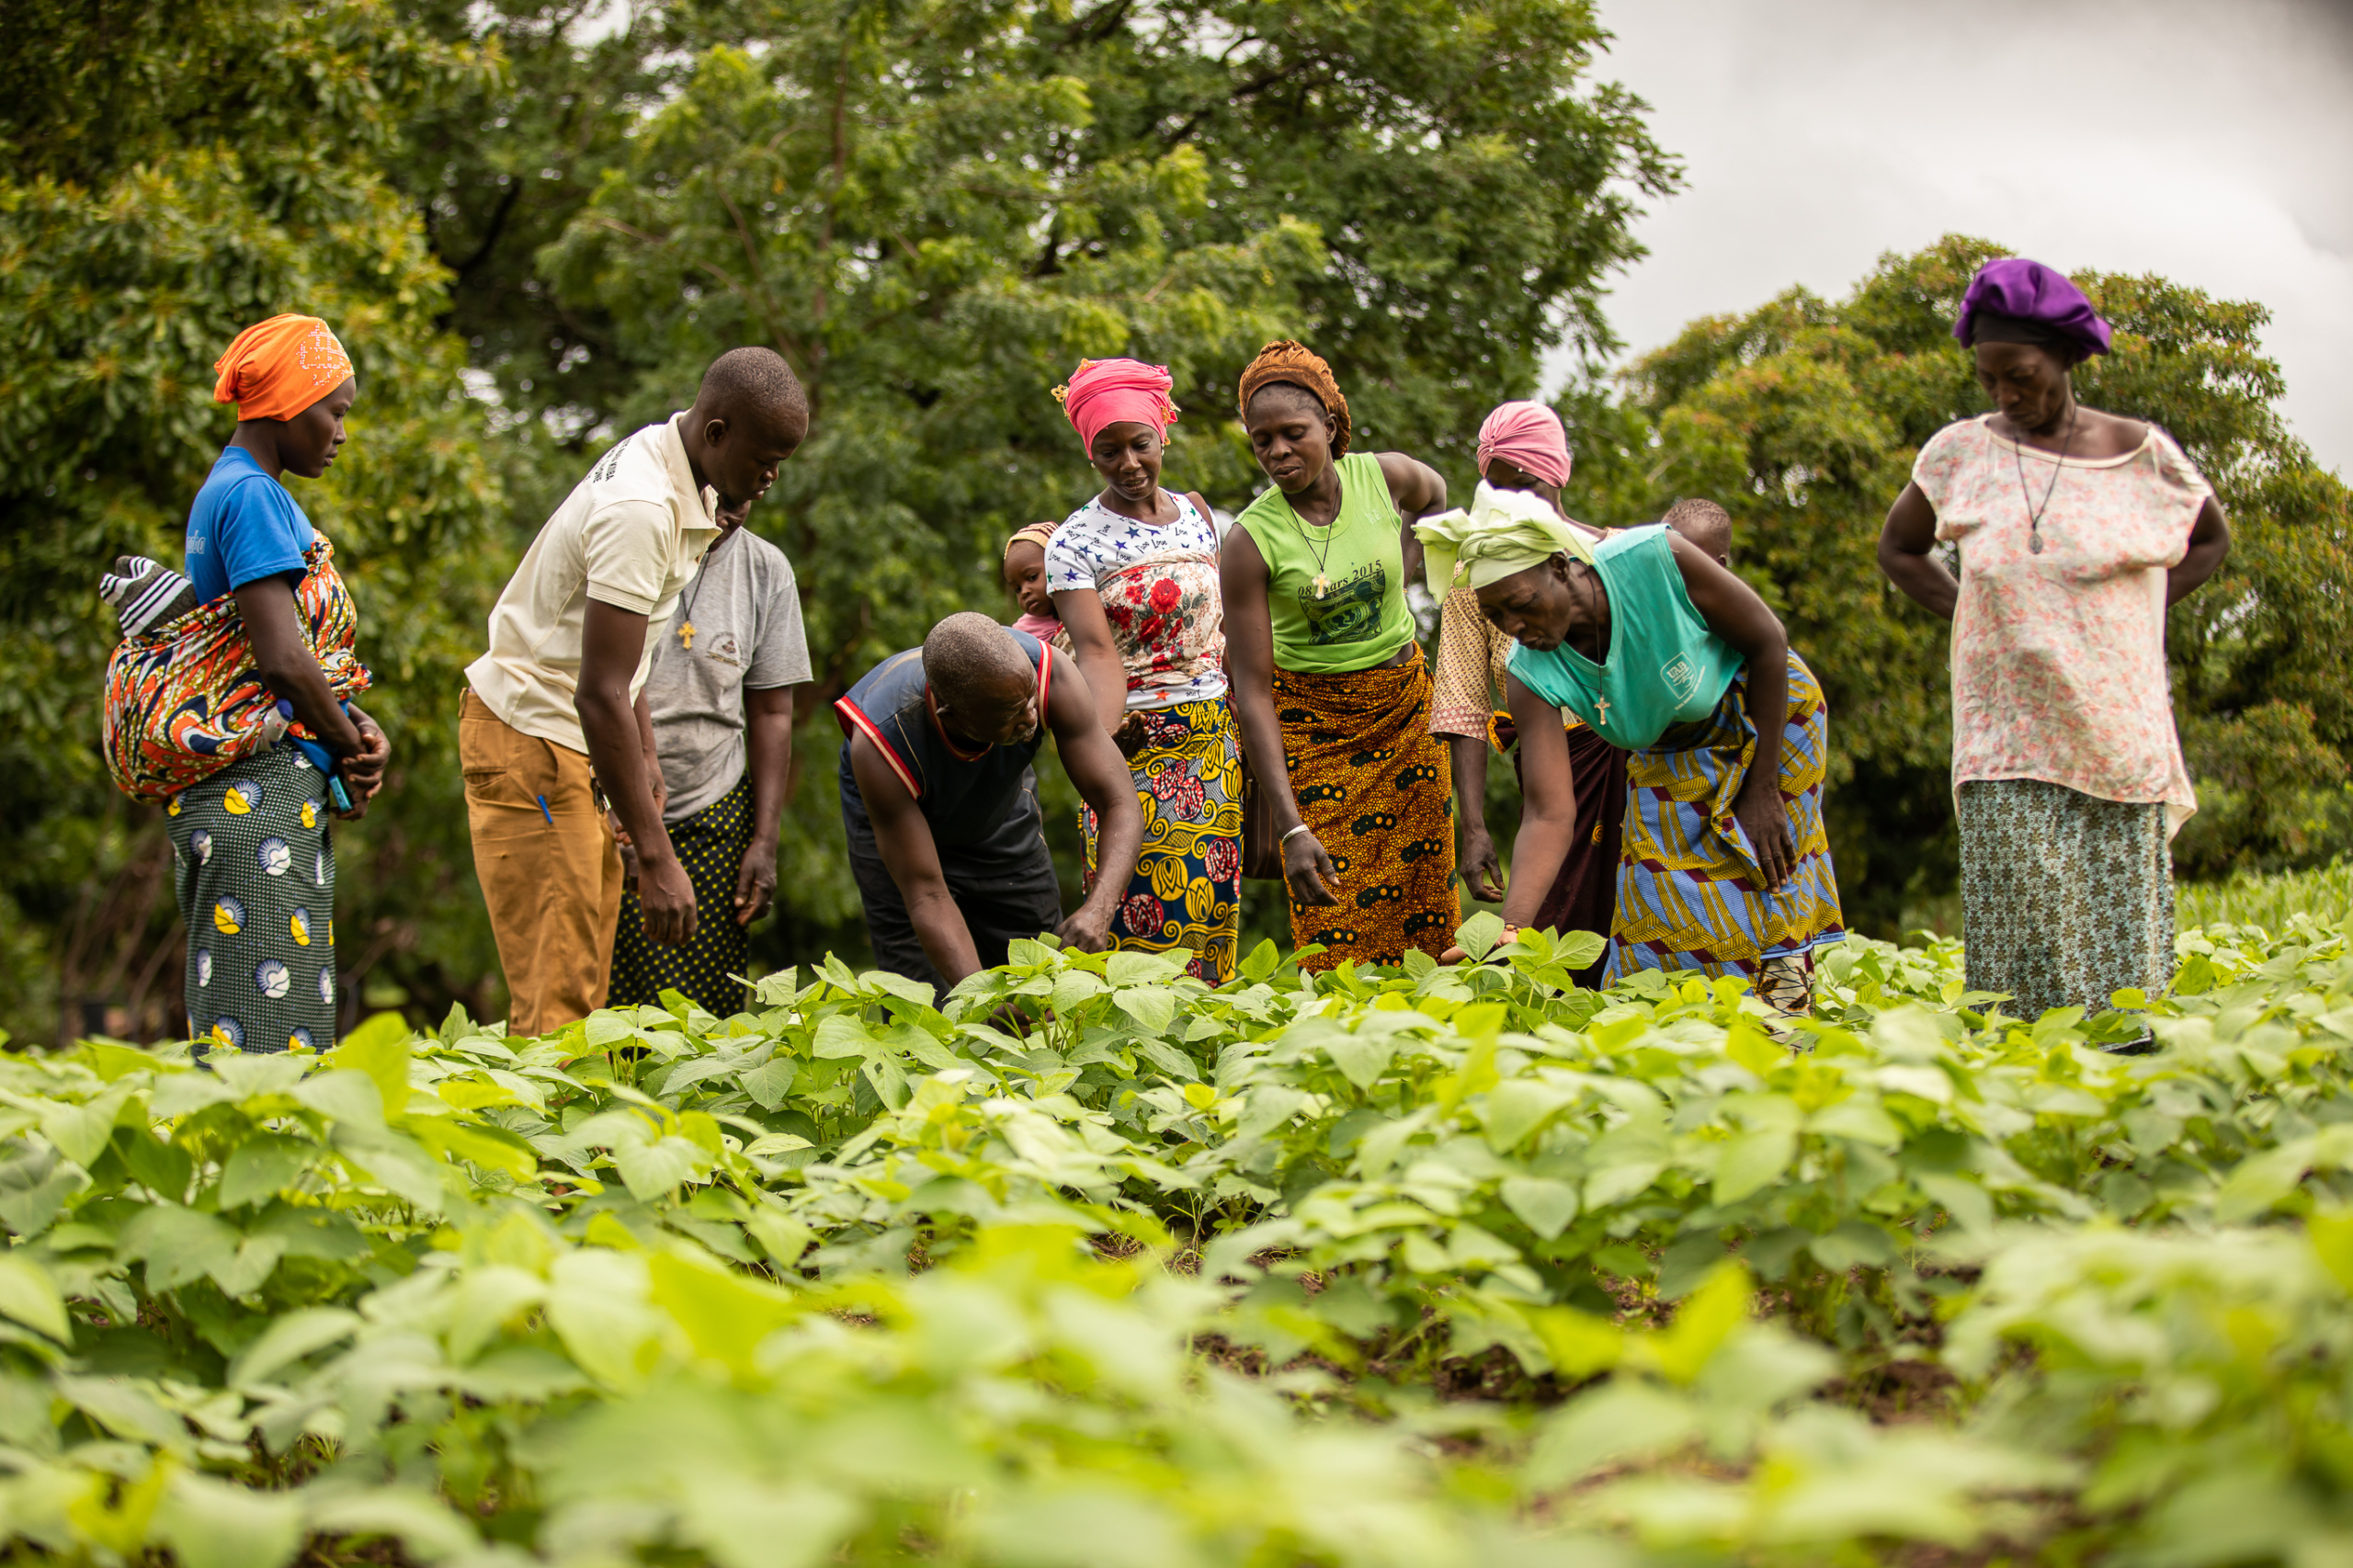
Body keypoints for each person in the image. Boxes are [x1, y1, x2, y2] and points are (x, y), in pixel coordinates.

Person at [1878, 257, 2229, 1023]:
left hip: (2115, 736)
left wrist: (2129, 622)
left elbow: (2207, 539)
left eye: (2023, 375)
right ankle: (2025, 1108)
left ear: (2069, 357)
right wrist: (1977, 612)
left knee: (2121, 963)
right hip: (2006, 737)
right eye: (1989, 378)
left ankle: (2117, 1122)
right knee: (2018, 954)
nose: (2006, 394)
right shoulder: (1958, 454)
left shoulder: (2142, 454)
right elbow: (1900, 550)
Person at [462, 347, 808, 1036]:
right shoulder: (642, 510)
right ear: (716, 433)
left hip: (565, 740)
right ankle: (543, 1145)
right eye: (763, 459)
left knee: (584, 994)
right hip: (535, 736)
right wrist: (657, 857)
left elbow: (628, 653)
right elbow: (598, 691)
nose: (771, 478)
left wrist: (645, 751)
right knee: (558, 1007)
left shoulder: (669, 461)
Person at [1419, 494, 1844, 1012]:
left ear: (1560, 567)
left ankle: (1779, 1026)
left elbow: (1768, 640)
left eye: (1523, 603)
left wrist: (1762, 788)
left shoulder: (1653, 557)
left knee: (1763, 871)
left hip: (1762, 710)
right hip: (1665, 737)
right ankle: (1678, 1041)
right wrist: (1513, 928)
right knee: (1654, 894)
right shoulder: (1529, 673)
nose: (1514, 626)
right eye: (1496, 615)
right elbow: (1549, 813)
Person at [164, 314, 391, 1052]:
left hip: (247, 806)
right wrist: (350, 737)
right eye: (334, 410)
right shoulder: (254, 496)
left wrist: (351, 724)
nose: (340, 432)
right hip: (257, 807)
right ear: (288, 404)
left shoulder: (227, 491)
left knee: (247, 1043)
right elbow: (283, 662)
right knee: (269, 1059)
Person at [1221, 339, 1460, 969]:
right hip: (1316, 734)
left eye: (1293, 433)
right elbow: (1252, 690)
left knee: (1430, 907)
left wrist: (1410, 566)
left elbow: (1437, 497)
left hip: (1406, 717)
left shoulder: (1384, 478)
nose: (1277, 452)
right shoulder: (1250, 540)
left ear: (1330, 425)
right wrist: (1291, 824)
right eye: (1261, 440)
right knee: (1337, 927)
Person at [1046, 358, 1244, 982]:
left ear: (1163, 436)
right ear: (1090, 455)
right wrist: (1102, 750)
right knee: (1133, 925)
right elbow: (1096, 653)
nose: (1129, 462)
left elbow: (1227, 632)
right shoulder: (1074, 544)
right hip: (1131, 742)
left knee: (1211, 920)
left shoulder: (1197, 515)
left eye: (1140, 444)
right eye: (1109, 452)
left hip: (1214, 745)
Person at [835, 612, 1143, 996]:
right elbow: (926, 892)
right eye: (1010, 714)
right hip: (901, 826)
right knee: (917, 994)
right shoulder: (882, 742)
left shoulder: (1047, 673)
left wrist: (1100, 909)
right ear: (953, 715)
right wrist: (981, 997)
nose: (1031, 716)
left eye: (1029, 699)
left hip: (996, 808)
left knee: (1041, 973)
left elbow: (1121, 803)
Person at [1427, 403, 1622, 984]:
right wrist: (1475, 824)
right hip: (1552, 771)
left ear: (1557, 473)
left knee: (1633, 919)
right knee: (1551, 944)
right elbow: (1463, 702)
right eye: (1497, 487)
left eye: (1527, 484)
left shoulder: (1614, 556)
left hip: (1632, 770)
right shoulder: (1476, 575)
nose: (1514, 501)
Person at [606, 496, 811, 1017]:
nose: (733, 507)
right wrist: (619, 805)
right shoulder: (633, 547)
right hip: (610, 806)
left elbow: (772, 711)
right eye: (721, 492)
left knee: (702, 1012)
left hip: (714, 811)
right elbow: (598, 687)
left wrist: (764, 841)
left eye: (750, 496)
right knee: (602, 1005)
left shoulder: (766, 570)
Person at [1002, 521, 1072, 651]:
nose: (1024, 592)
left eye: (1032, 577)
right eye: (1017, 589)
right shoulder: (1022, 634)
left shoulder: (1089, 601)